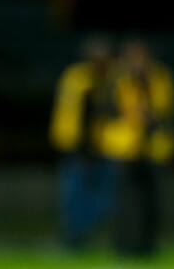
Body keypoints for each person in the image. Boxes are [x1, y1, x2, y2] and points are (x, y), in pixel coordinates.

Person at [103, 39, 174, 256]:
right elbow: (111, 109)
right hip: (124, 148)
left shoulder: (159, 77)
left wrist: (149, 114)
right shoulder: (117, 79)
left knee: (151, 201)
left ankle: (147, 246)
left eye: (142, 57)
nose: (139, 62)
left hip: (152, 148)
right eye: (133, 57)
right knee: (125, 201)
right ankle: (124, 245)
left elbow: (165, 109)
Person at [49, 36, 119, 248]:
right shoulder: (78, 78)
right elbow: (77, 117)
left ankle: (82, 233)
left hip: (99, 148)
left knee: (102, 197)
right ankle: (74, 237)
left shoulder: (107, 79)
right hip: (76, 147)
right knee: (74, 195)